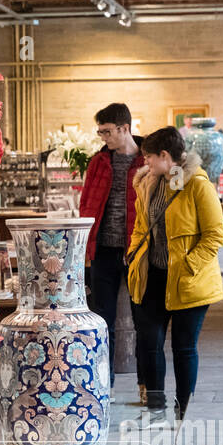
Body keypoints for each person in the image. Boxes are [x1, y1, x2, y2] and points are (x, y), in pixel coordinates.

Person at [127, 126, 223, 416]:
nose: (145, 163)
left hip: (188, 280)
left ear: (165, 156)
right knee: (149, 343)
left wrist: (190, 265)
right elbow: (141, 227)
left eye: (149, 158)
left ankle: (184, 409)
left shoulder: (197, 185)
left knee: (183, 348)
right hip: (152, 276)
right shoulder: (149, 183)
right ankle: (156, 406)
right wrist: (133, 255)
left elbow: (215, 234)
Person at [77, 102, 145, 399]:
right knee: (102, 319)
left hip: (137, 249)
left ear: (124, 128)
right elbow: (86, 206)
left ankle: (147, 384)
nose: (103, 137)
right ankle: (106, 384)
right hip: (103, 250)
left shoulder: (147, 160)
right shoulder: (97, 162)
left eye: (107, 132)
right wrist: (84, 248)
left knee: (143, 318)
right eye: (100, 131)